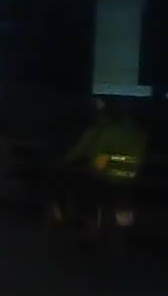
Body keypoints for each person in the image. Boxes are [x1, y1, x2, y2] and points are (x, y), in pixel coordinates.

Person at [55, 97, 147, 230]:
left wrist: (65, 161)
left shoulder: (101, 130)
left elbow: (82, 151)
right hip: (130, 175)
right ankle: (123, 228)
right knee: (122, 200)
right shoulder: (137, 131)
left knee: (76, 186)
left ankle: (83, 224)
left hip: (105, 176)